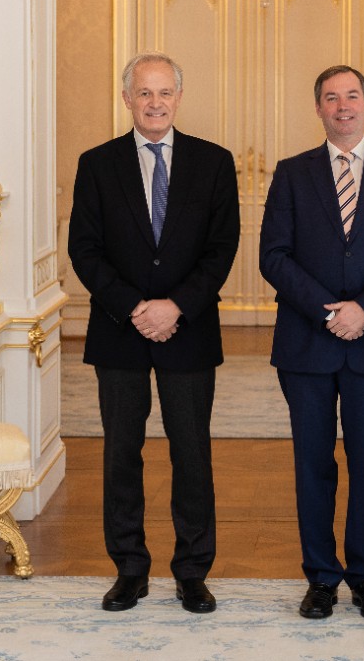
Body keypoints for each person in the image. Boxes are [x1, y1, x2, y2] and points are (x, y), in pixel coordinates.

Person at [68, 52, 239, 614]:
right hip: (120, 331)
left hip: (189, 330)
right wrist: (136, 308)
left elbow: (222, 249)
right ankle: (129, 570)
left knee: (192, 454)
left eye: (165, 92)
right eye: (145, 92)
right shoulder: (97, 164)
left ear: (179, 98)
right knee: (121, 454)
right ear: (127, 99)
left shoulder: (214, 163)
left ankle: (192, 572)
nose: (155, 102)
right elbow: (84, 250)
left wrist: (176, 307)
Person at [259, 65, 364, 620]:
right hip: (306, 345)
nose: (343, 106)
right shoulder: (291, 174)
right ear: (319, 109)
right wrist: (328, 311)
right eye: (331, 98)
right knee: (312, 465)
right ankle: (320, 578)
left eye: (351, 96)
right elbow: (273, 256)